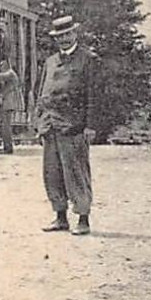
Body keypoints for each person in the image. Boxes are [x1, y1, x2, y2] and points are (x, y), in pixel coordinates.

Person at [36, 15, 96, 235]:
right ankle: (60, 216)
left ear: (74, 34)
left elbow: (94, 95)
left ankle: (83, 218)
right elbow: (42, 91)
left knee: (76, 172)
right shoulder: (51, 61)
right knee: (52, 173)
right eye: (58, 36)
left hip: (73, 126)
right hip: (50, 125)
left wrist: (90, 126)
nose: (63, 39)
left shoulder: (87, 59)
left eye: (66, 35)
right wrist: (39, 120)